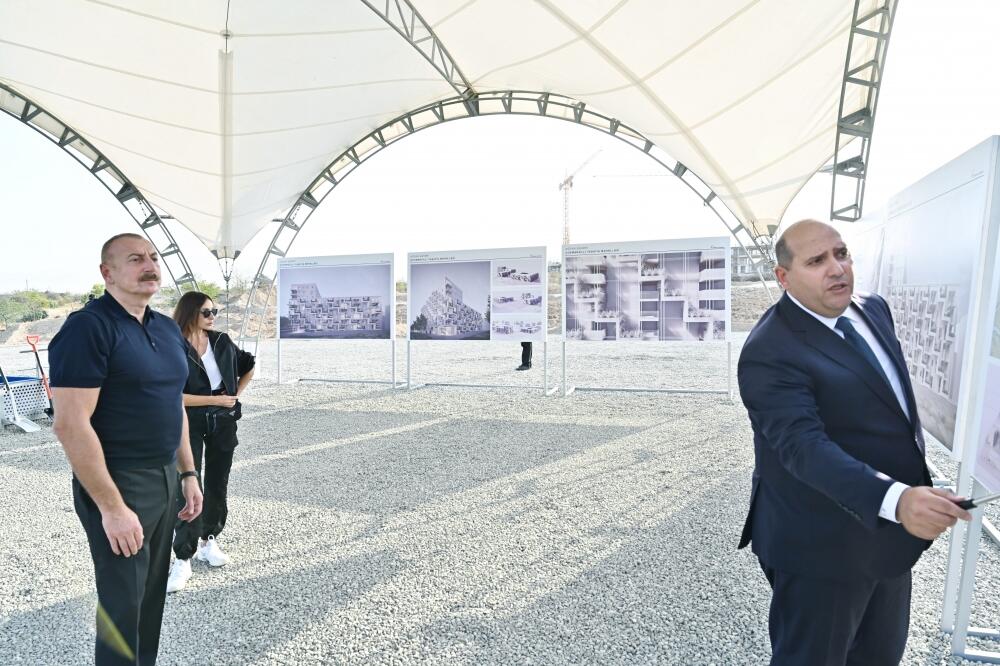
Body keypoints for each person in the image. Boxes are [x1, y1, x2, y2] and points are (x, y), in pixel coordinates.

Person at [737, 219, 972, 665]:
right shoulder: (769, 351)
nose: (837, 268)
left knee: (881, 655)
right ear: (783, 277)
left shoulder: (872, 308)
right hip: (819, 547)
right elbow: (803, 448)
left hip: (887, 536)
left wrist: (900, 502)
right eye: (816, 261)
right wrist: (895, 499)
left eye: (841, 253)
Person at [49, 233, 203, 665]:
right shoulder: (88, 328)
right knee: (122, 604)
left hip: (164, 476)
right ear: (108, 272)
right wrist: (112, 508)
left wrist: (188, 473)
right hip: (119, 481)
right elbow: (70, 424)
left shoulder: (165, 328)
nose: (150, 265)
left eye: (153, 257)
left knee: (150, 598)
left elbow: (172, 403)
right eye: (136, 259)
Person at [166, 291, 255, 593]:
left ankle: (209, 540)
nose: (212, 316)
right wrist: (215, 399)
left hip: (223, 421)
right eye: (206, 312)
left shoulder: (221, 341)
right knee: (188, 485)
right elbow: (172, 395)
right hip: (187, 420)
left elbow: (249, 365)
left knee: (218, 482)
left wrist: (234, 395)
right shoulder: (172, 345)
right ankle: (183, 557)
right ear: (190, 312)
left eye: (214, 311)